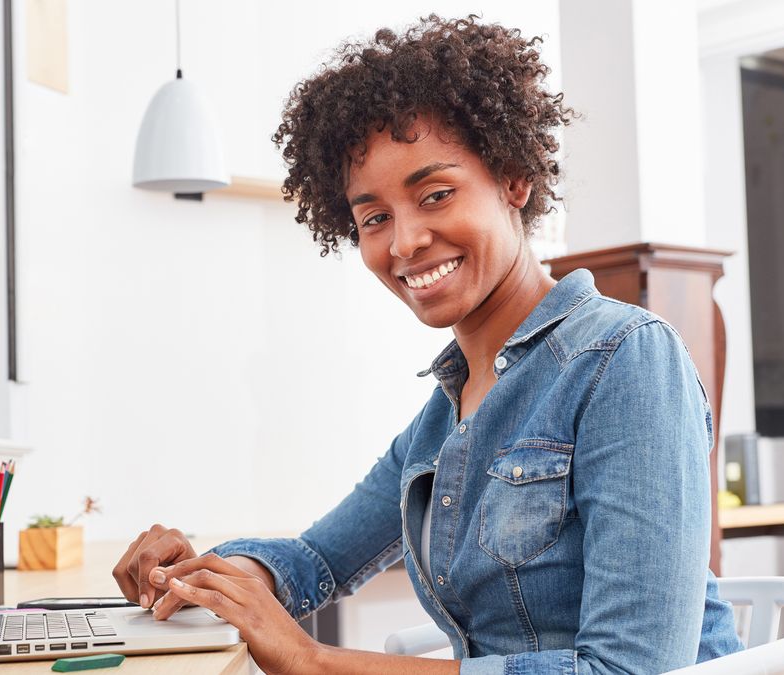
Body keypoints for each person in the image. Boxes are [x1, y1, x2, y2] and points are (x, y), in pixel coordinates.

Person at [112, 15, 743, 674]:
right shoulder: (448, 411)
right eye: (375, 218)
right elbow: (318, 559)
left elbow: (633, 671)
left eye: (435, 194)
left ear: (514, 179)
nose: (405, 241)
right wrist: (200, 576)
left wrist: (315, 661)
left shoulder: (625, 359)